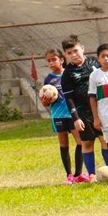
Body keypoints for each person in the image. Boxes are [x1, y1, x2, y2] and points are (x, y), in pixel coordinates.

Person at [60, 34, 99, 182]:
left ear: (82, 49)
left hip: (100, 110)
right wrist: (75, 118)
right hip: (83, 113)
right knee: (87, 143)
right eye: (69, 53)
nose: (74, 55)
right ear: (65, 55)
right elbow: (68, 98)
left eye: (76, 50)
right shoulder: (68, 74)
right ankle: (92, 175)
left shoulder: (94, 63)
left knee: (105, 140)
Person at [43, 48, 82, 183]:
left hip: (72, 114)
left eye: (54, 59)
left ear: (61, 60)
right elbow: (45, 102)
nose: (51, 63)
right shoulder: (48, 79)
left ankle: (78, 174)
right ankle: (69, 175)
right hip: (58, 115)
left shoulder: (69, 74)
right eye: (48, 61)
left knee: (80, 142)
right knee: (63, 143)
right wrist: (46, 100)